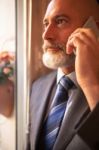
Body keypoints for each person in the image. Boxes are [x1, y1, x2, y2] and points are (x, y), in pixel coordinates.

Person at [29, 0, 99, 149]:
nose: (46, 35)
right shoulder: (37, 87)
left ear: (94, 28)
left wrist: (92, 85)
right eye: (46, 24)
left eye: (60, 21)